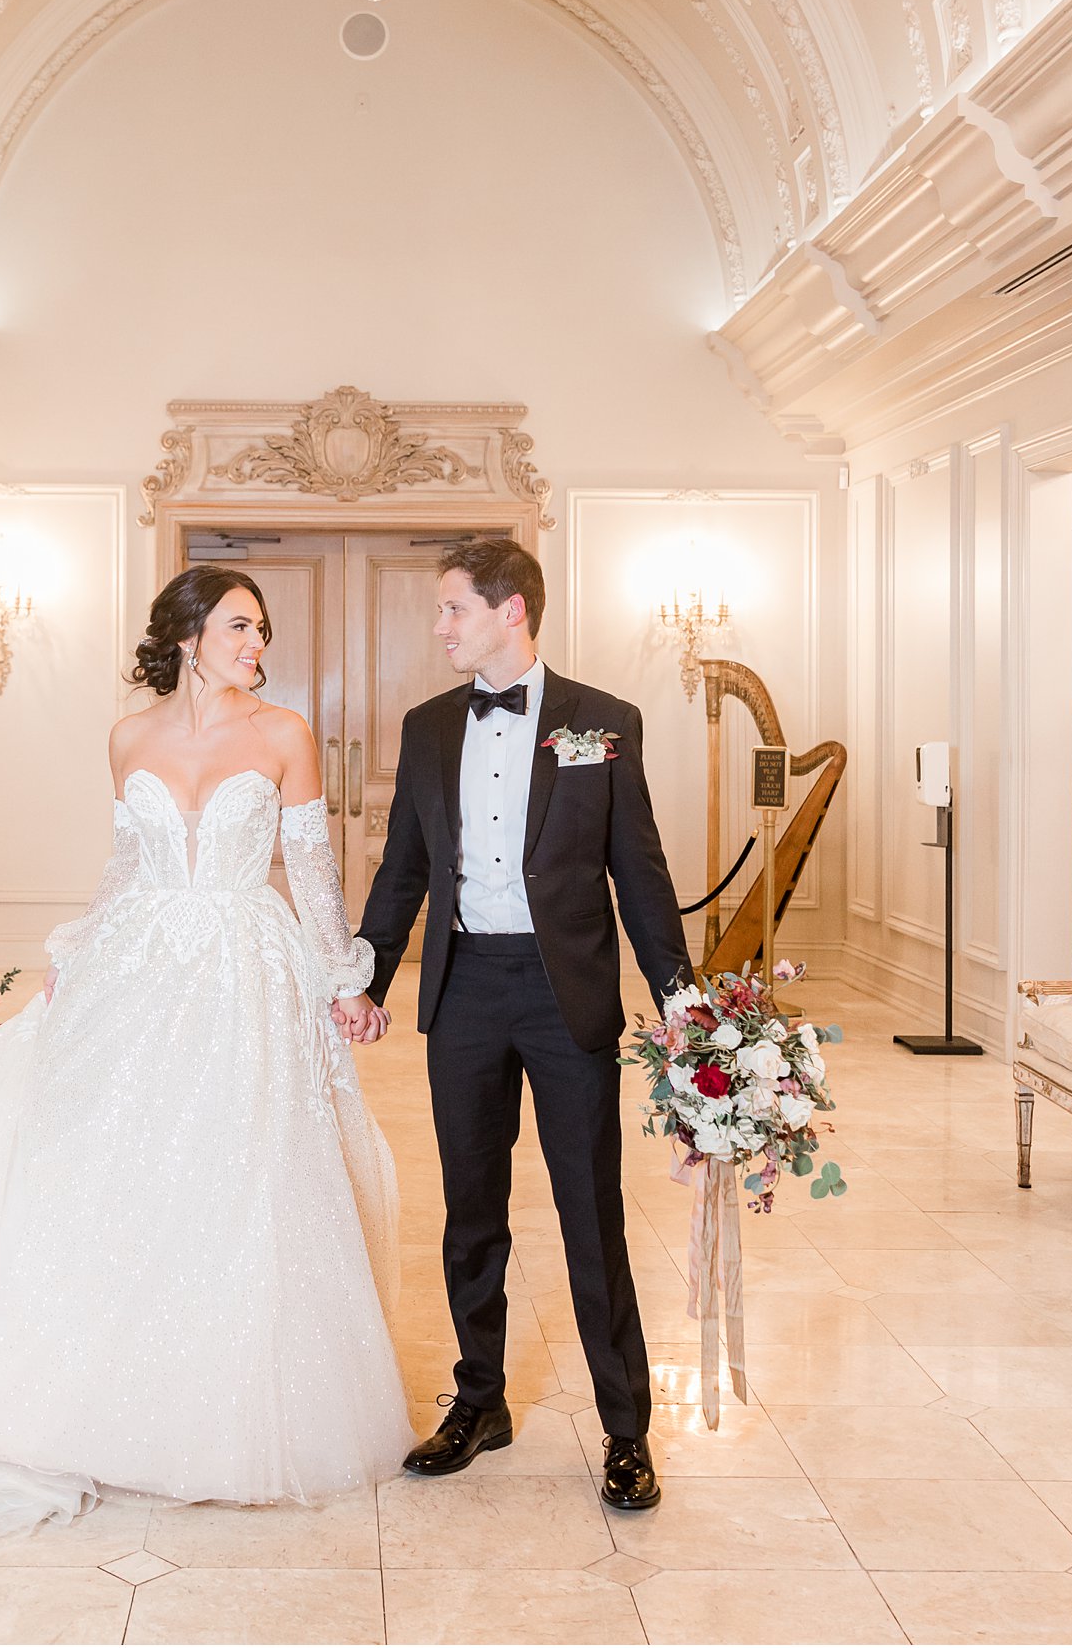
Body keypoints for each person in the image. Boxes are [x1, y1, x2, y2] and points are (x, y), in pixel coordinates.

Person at [0, 566, 410, 1532]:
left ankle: (219, 1405)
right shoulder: (128, 736)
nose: (258, 645)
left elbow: (313, 870)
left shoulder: (282, 733)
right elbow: (125, 859)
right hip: (138, 960)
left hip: (244, 963)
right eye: (241, 625)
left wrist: (341, 980)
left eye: (261, 630)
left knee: (236, 1165)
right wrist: (79, 947)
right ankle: (84, 1382)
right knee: (110, 1161)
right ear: (188, 632)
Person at [348, 537, 691, 1514]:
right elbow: (402, 869)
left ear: (511, 612)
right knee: (469, 1210)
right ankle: (479, 1400)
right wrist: (366, 975)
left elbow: (639, 869)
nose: (439, 625)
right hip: (461, 992)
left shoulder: (598, 723)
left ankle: (625, 1430)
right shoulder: (423, 728)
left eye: (453, 607)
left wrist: (682, 1002)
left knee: (590, 1209)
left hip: (565, 993)